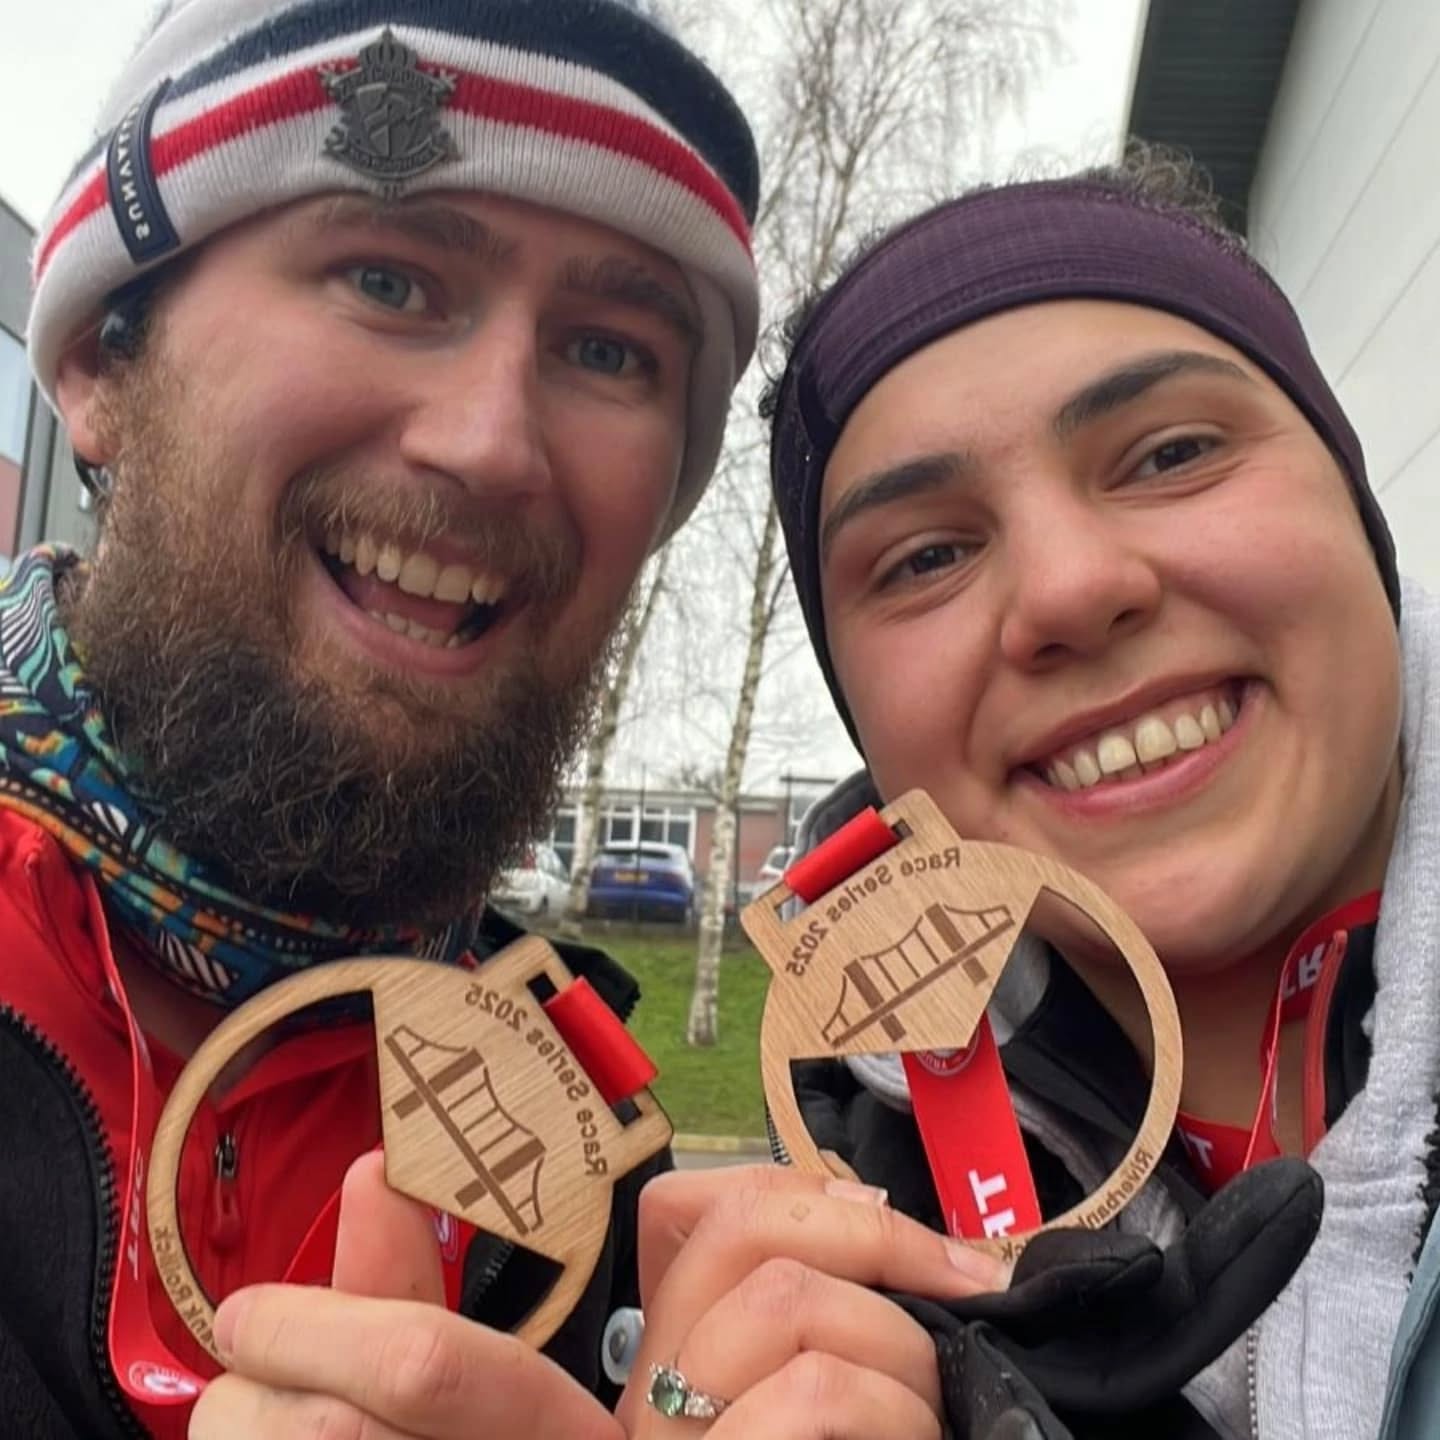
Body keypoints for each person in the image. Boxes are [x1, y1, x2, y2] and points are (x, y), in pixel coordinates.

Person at [765, 151, 1438, 1439]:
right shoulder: (838, 1219)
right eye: (927, 555)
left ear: (1358, 515)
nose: (1071, 588)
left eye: (1171, 451)